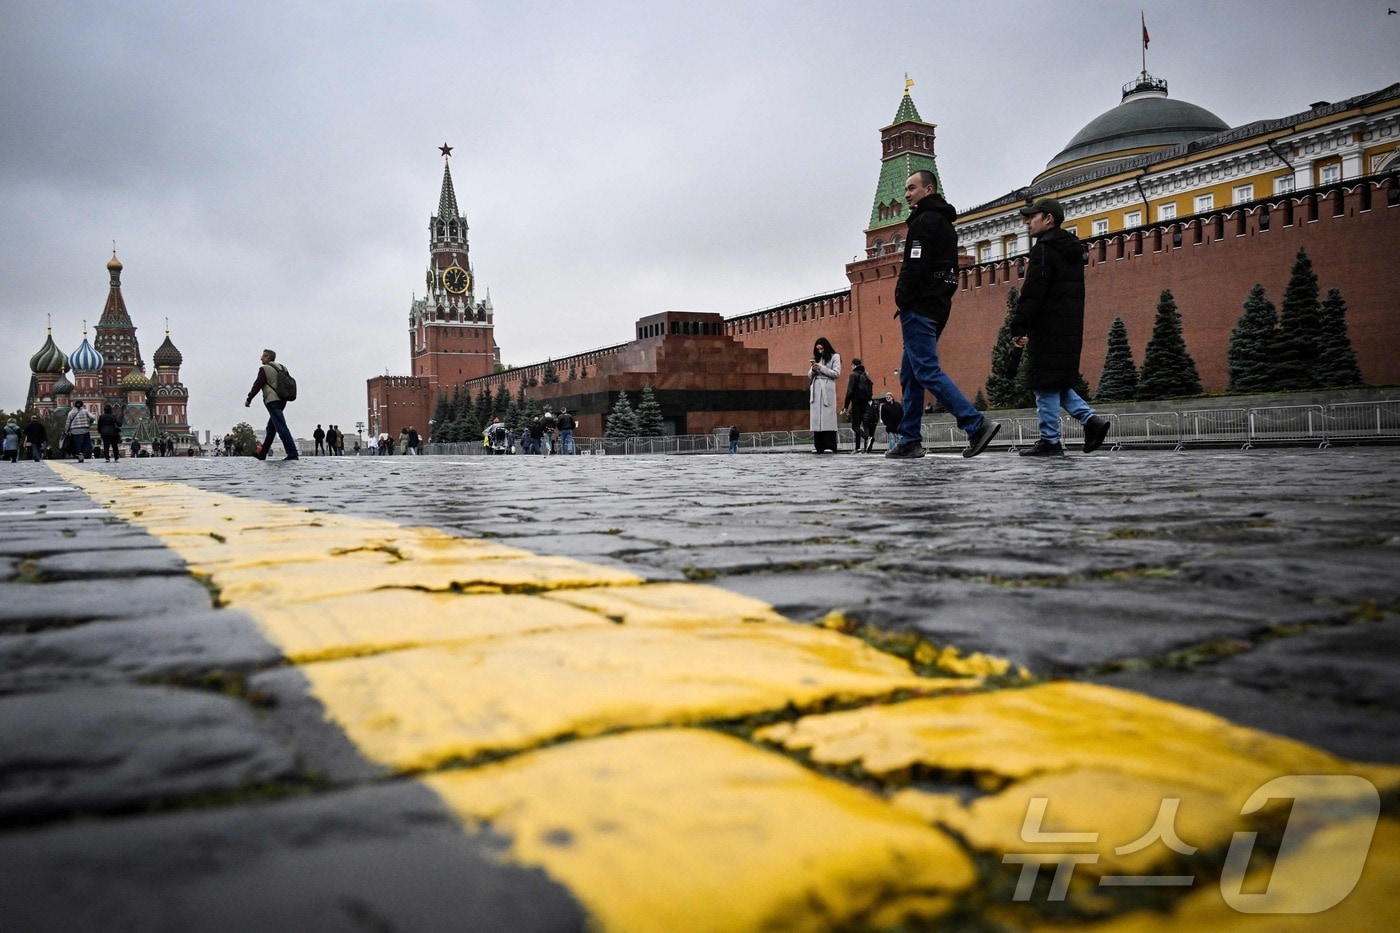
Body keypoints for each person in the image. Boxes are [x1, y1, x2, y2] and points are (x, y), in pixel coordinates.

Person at [887, 170, 1000, 460]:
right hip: (938, 305)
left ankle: (976, 424)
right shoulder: (945, 224)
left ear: (929, 188)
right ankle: (910, 439)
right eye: (906, 189)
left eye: (912, 188)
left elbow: (916, 265)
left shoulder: (924, 222)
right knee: (911, 377)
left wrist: (902, 297)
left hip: (920, 307)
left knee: (925, 370)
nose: (907, 194)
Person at [1008, 198, 1112, 457]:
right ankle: (1091, 421)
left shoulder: (1043, 249)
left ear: (1048, 219)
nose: (1027, 221)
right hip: (1068, 326)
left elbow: (1034, 291)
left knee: (1043, 384)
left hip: (1047, 327)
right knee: (1054, 381)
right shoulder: (1071, 250)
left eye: (1032, 216)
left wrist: (1019, 325)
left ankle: (1050, 440)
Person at [244, 348, 300, 461]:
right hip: (282, 400)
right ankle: (263, 453)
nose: (261, 358)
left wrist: (249, 398)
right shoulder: (283, 367)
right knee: (271, 428)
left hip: (272, 400)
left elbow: (257, 385)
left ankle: (292, 453)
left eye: (263, 356)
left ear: (268, 357)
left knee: (281, 427)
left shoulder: (265, 369)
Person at [809, 337, 841, 453]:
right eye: (818, 349)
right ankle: (819, 445)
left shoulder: (835, 357)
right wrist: (813, 369)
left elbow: (836, 373)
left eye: (822, 349)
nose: (820, 351)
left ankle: (830, 445)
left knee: (828, 418)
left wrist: (821, 368)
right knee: (817, 418)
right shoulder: (817, 358)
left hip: (827, 388)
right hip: (816, 388)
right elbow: (809, 375)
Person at [844, 358, 874, 453]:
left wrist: (846, 405)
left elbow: (850, 391)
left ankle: (867, 438)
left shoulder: (853, 375)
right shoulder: (865, 375)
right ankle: (857, 448)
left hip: (856, 402)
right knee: (858, 426)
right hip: (864, 403)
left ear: (853, 365)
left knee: (855, 426)